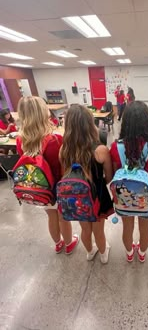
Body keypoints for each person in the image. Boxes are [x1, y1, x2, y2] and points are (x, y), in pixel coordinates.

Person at [16, 96, 78, 254]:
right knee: (63, 216)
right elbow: (65, 166)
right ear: (43, 113)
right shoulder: (56, 139)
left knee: (51, 215)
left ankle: (58, 244)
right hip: (58, 187)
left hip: (39, 187)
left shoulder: (20, 140)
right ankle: (69, 244)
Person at [110, 101, 148, 262]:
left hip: (122, 196)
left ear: (125, 122)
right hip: (146, 196)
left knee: (127, 227)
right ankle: (141, 254)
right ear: (147, 123)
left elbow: (114, 173)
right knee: (145, 228)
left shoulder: (115, 147)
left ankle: (128, 253)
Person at [59, 104, 114, 264]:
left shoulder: (63, 150)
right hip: (97, 197)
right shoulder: (101, 150)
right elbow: (109, 177)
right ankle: (104, 254)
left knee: (84, 229)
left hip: (77, 198)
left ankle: (90, 252)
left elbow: (65, 175)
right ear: (90, 124)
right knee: (98, 230)